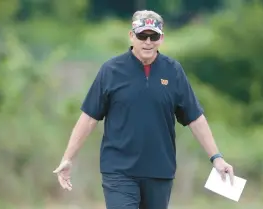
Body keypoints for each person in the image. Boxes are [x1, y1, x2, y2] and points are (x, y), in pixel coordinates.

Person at [53, 10, 235, 209]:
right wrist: (68, 158)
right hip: (119, 171)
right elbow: (88, 118)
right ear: (132, 36)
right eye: (142, 36)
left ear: (161, 38)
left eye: (153, 36)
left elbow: (195, 118)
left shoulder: (173, 71)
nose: (148, 42)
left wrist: (216, 158)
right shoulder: (111, 71)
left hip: (160, 172)